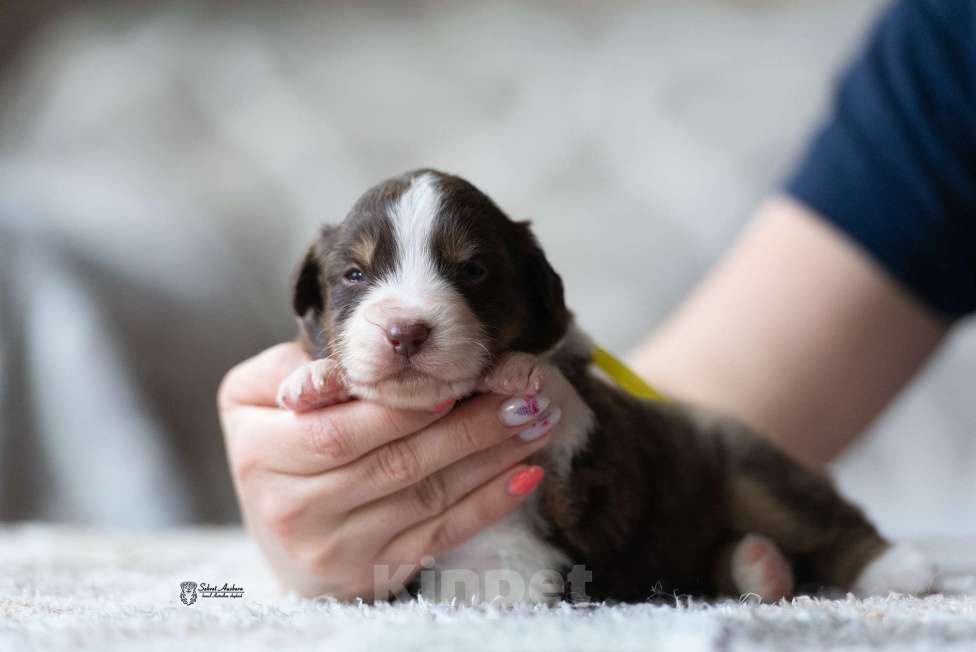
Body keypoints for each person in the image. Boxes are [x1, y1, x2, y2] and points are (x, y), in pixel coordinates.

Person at [218, 0, 976, 598]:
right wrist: (319, 489)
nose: (409, 316)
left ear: (537, 297)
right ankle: (720, 559)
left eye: (470, 274)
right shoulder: (946, 55)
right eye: (357, 276)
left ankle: (845, 551)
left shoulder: (547, 382)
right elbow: (681, 408)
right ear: (313, 301)